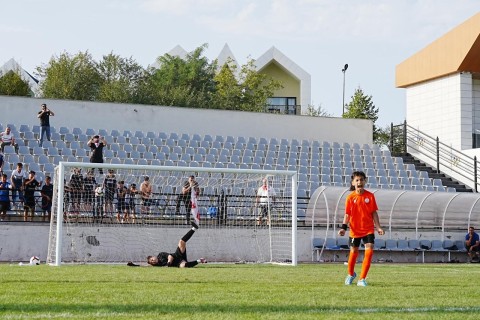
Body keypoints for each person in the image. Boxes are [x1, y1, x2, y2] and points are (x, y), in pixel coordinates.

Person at [338, 171, 385, 287]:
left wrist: (378, 227)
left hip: (368, 229)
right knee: (353, 252)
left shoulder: (370, 196)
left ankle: (362, 279)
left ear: (365, 181)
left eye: (362, 180)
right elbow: (347, 215)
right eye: (357, 180)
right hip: (355, 230)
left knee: (369, 249)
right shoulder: (350, 198)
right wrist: (343, 228)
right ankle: (350, 274)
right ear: (353, 183)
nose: (360, 182)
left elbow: (374, 213)